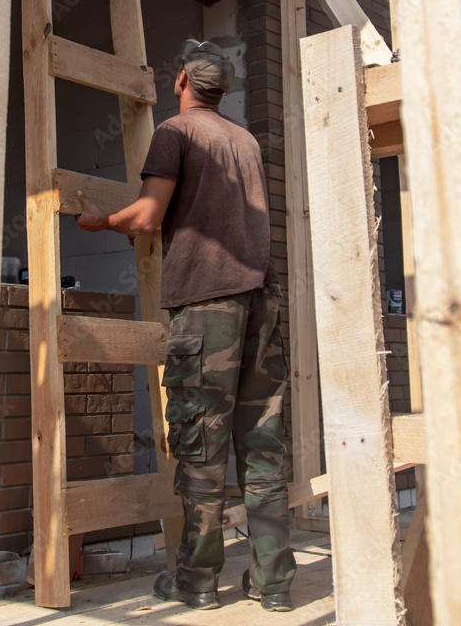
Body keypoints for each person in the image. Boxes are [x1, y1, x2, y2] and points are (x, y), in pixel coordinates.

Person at [75, 39, 296, 613]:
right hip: (263, 305)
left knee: (201, 449)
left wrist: (100, 222)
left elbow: (147, 214)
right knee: (263, 449)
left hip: (208, 308)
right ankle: (274, 583)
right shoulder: (243, 140)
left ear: (181, 82)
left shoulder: (177, 133)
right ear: (220, 89)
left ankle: (197, 582)